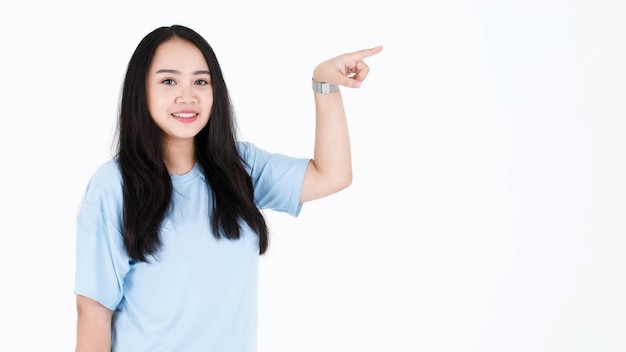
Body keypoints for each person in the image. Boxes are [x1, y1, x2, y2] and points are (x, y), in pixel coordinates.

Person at [73, 24, 382, 352]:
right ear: (141, 91)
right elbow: (93, 309)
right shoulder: (114, 186)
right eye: (168, 81)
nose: (187, 96)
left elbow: (332, 175)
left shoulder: (238, 166)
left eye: (200, 81)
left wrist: (324, 84)